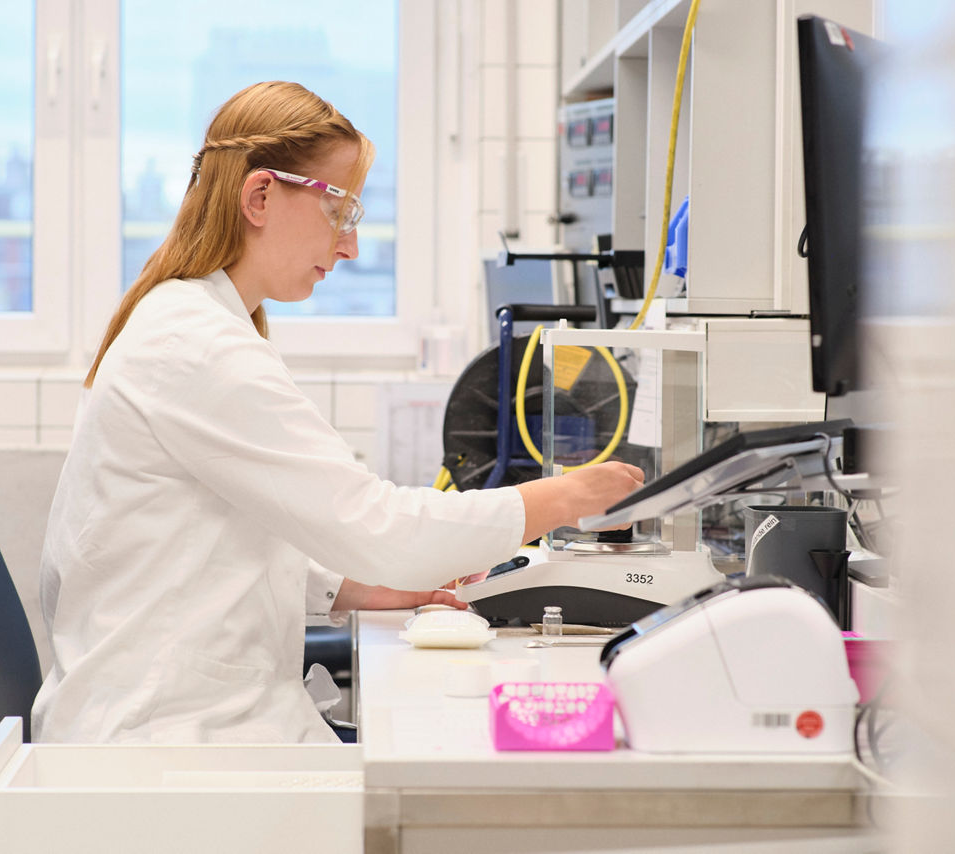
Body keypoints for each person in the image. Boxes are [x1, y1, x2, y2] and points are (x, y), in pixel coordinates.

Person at [31, 81, 644, 745]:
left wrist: (352, 587)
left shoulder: (194, 323)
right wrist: (566, 497)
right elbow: (376, 525)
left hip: (180, 717)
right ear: (260, 196)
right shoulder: (197, 345)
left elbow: (212, 538)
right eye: (341, 212)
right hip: (162, 739)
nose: (349, 247)